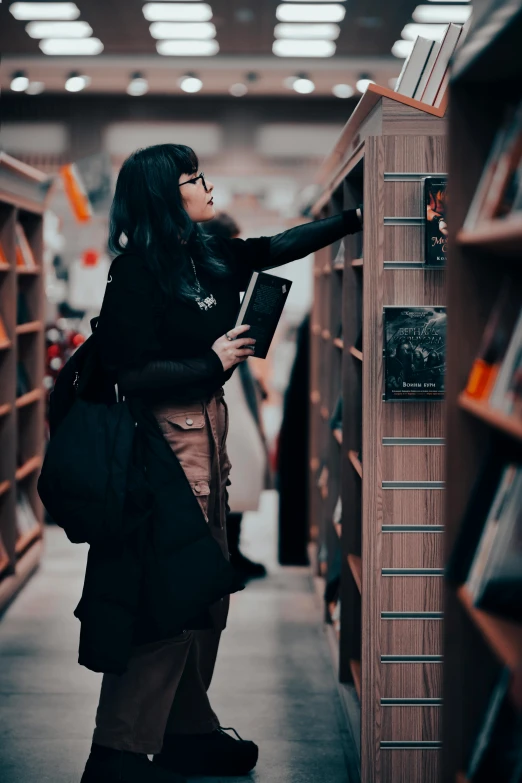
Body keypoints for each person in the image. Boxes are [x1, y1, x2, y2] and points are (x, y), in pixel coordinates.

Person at [80, 143, 362, 783]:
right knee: (168, 599)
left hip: (211, 437)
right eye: (192, 178)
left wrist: (354, 218)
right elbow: (130, 373)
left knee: (206, 598)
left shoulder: (206, 254)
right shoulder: (137, 273)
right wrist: (213, 361)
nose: (208, 185)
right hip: (162, 446)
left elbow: (278, 246)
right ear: (163, 195)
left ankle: (188, 731)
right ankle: (117, 752)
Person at [205, 212, 271, 580]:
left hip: (235, 381)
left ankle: (233, 550)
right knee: (230, 464)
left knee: (242, 466)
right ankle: (224, 555)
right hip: (217, 382)